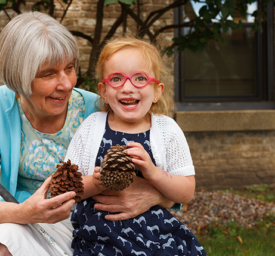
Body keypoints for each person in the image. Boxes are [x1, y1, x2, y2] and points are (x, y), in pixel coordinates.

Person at [0, 12, 178, 256]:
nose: (66, 83)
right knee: (4, 239)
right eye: (48, 74)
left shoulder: (99, 108)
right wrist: (24, 212)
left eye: (69, 68)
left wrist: (156, 197)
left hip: (100, 227)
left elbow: (170, 180)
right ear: (19, 77)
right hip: (34, 225)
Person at [64, 37, 206, 256]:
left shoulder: (167, 130)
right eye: (117, 78)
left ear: (157, 91)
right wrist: (95, 183)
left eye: (140, 78)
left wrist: (154, 173)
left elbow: (186, 192)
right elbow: (66, 186)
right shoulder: (92, 126)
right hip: (100, 239)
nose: (128, 88)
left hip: (156, 239)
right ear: (103, 91)